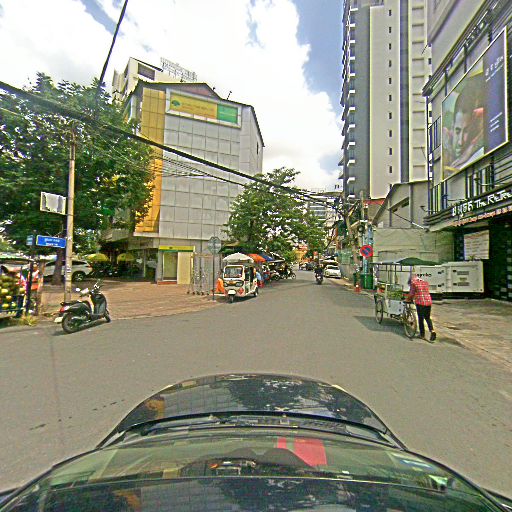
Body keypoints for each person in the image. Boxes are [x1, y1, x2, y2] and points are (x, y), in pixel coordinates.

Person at [406, 274, 436, 342]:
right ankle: (432, 331)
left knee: (420, 318)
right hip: (428, 302)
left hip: (420, 303)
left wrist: (408, 299)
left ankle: (422, 335)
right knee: (427, 317)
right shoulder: (425, 282)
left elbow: (411, 294)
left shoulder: (414, 283)